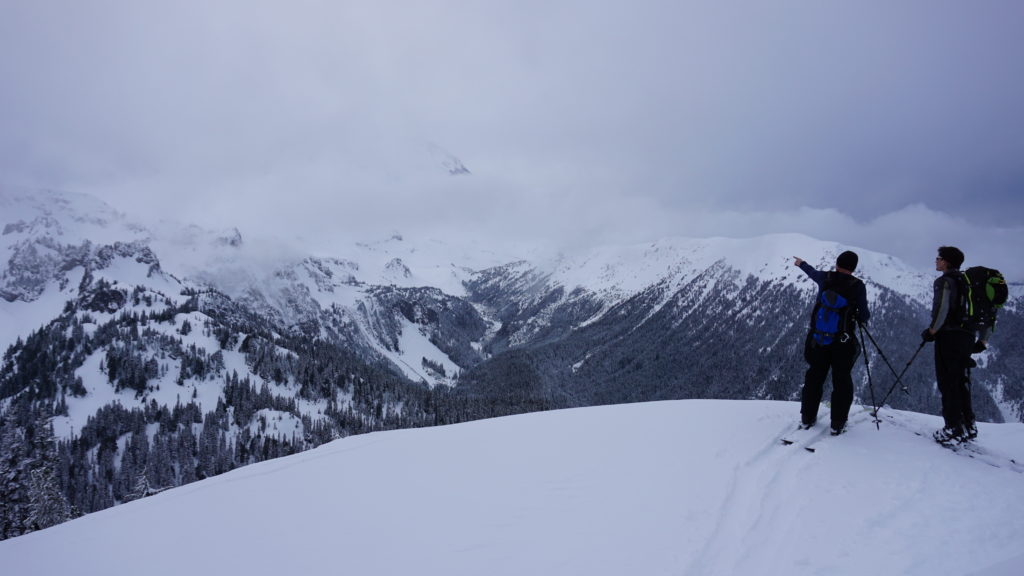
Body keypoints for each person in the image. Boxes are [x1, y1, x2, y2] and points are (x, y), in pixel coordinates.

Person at [793, 250, 870, 435]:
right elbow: (865, 314)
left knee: (814, 378)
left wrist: (801, 263)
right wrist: (858, 316)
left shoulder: (825, 277)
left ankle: (807, 418)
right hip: (842, 342)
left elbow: (811, 272)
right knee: (842, 381)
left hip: (818, 339)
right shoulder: (857, 286)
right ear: (853, 268)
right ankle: (837, 423)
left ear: (837, 263)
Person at [922, 246, 977, 443]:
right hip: (967, 336)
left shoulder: (944, 281)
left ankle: (952, 428)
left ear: (946, 261)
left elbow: (942, 308)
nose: (936, 261)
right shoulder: (967, 281)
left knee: (948, 382)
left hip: (949, 337)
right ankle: (968, 424)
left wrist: (932, 331)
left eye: (939, 258)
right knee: (961, 380)